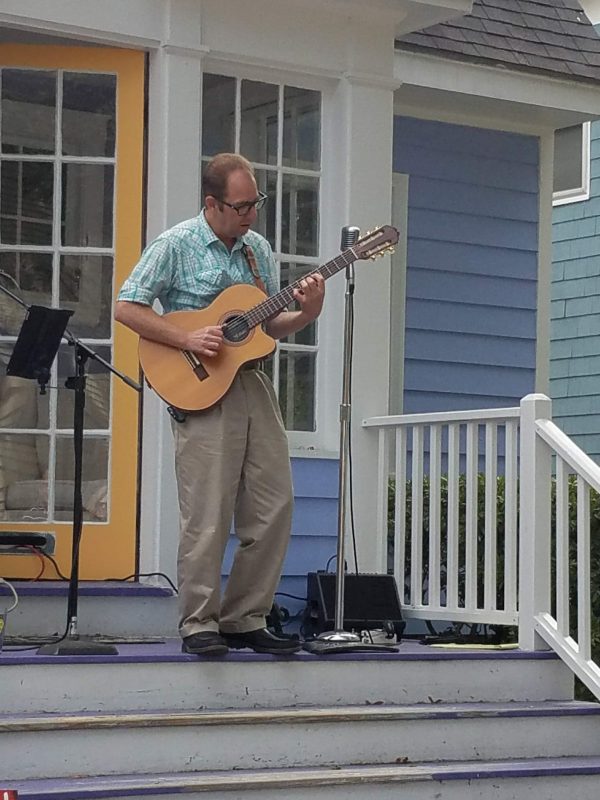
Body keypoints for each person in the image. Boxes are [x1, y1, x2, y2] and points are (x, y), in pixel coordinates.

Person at [115, 153, 325, 656]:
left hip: (252, 384)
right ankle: (198, 623)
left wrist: (308, 310)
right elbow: (127, 305)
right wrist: (186, 339)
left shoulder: (258, 251)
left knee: (275, 506)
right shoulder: (177, 243)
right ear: (212, 203)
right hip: (201, 389)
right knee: (207, 513)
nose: (251, 213)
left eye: (256, 202)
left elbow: (267, 326)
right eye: (241, 205)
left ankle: (244, 618)